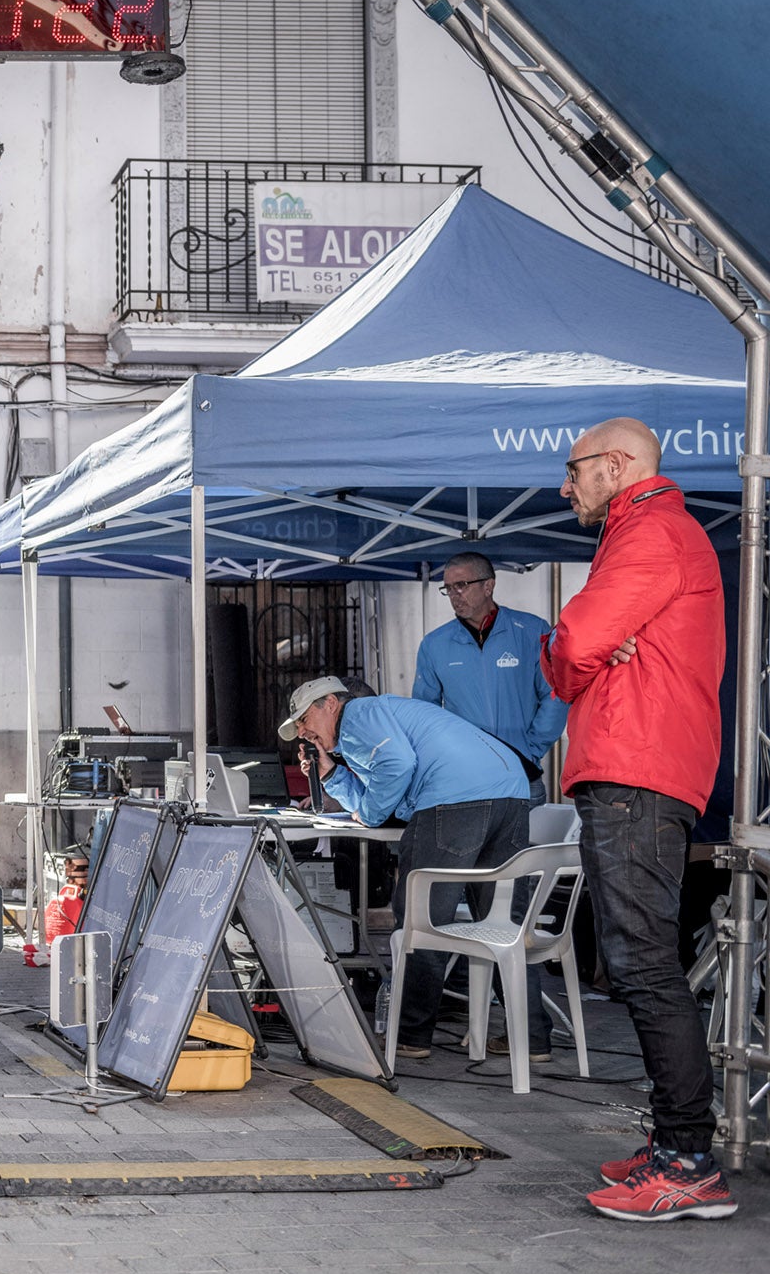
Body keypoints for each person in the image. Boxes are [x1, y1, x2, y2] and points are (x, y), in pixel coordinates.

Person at [542, 418, 735, 1222]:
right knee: (640, 958)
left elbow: (576, 639)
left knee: (645, 962)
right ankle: (674, 1146)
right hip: (640, 767)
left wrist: (572, 657)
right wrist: (588, 653)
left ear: (618, 465)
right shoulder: (650, 531)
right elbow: (591, 644)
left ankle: (689, 1161)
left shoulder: (652, 531)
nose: (567, 484)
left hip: (637, 770)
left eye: (576, 468)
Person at [280, 677, 537, 1064]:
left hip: (455, 799)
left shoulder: (359, 713)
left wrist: (366, 813)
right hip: (512, 793)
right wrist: (331, 773)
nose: (302, 731)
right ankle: (534, 1039)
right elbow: (385, 786)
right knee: (504, 925)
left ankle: (413, 1036)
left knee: (422, 922)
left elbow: (395, 770)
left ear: (330, 703)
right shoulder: (381, 720)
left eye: (303, 719)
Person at [412, 551, 567, 805]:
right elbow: (423, 714)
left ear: (488, 585)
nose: (454, 595)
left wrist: (532, 748)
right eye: (448, 588)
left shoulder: (532, 630)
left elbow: (555, 695)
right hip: (465, 779)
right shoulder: (434, 644)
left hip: (522, 776)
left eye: (461, 585)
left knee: (526, 846)